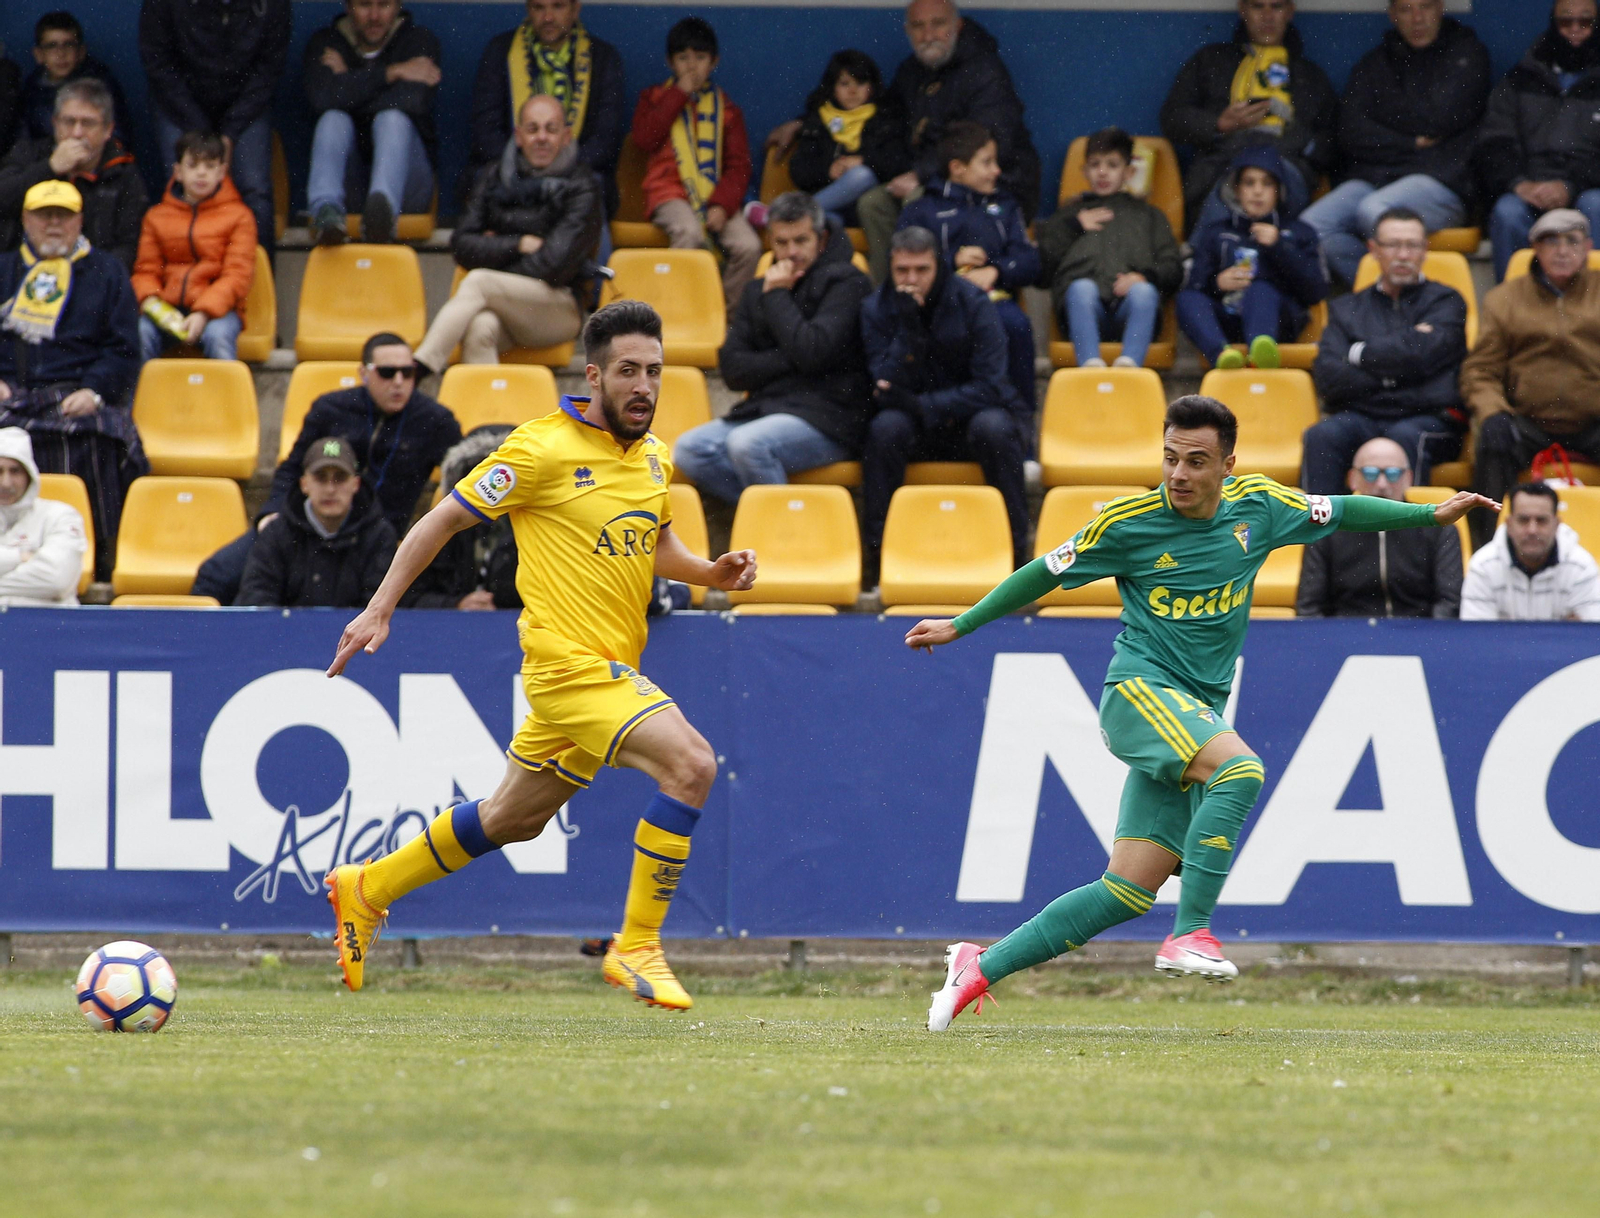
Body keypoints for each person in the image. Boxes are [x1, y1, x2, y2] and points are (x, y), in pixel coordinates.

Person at [905, 395, 1494, 1029]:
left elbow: (1342, 508)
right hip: (1139, 693)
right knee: (1239, 772)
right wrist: (963, 624)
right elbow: (1045, 572)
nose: (1179, 474)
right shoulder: (1127, 523)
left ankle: (978, 965)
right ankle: (1192, 933)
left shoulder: (1260, 507)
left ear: (1227, 464)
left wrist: (1431, 513)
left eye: (1195, 461)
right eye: (1169, 458)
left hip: (1194, 708)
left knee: (1126, 891)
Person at [324, 300, 759, 1011]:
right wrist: (380, 606)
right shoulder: (540, 449)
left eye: (654, 370)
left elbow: (655, 542)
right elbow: (443, 518)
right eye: (627, 371)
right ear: (594, 376)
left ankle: (367, 888)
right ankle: (638, 945)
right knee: (693, 765)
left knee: (511, 819)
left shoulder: (654, 456)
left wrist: (709, 572)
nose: (643, 384)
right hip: (568, 670)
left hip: (611, 672)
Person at [675, 192, 872, 501]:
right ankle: (768, 519)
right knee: (690, 450)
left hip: (831, 418)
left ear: (821, 239)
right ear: (770, 241)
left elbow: (812, 351)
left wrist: (777, 297)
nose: (791, 252)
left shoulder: (848, 283)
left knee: (748, 444)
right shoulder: (757, 290)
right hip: (766, 409)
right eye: (781, 243)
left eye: (800, 241)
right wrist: (793, 359)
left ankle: (782, 537)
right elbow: (733, 369)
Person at [860, 226, 1028, 573]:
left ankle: (1017, 556)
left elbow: (991, 385)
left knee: (995, 427)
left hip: (969, 419)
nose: (911, 279)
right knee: (884, 429)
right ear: (890, 268)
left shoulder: (973, 301)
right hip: (912, 425)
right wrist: (908, 329)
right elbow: (882, 384)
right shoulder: (876, 307)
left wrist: (926, 406)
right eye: (902, 270)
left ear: (937, 265)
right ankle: (877, 561)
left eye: (921, 269)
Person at [0, 180, 143, 582]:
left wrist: (94, 389)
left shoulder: (107, 272)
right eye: (44, 216)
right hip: (12, 395)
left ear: (79, 220)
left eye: (62, 216)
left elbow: (125, 348)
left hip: (76, 393)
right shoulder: (4, 270)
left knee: (100, 440)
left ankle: (101, 562)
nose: (53, 225)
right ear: (26, 220)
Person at [1299, 0, 1491, 288]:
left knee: (1374, 211)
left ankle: (1409, 301)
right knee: (1311, 227)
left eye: (1425, 7)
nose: (1417, 18)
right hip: (1374, 179)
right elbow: (1351, 131)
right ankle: (1388, 298)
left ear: (1440, 8)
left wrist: (1384, 116)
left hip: (1440, 182)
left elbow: (1439, 117)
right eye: (1405, 9)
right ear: (1392, 15)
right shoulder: (1374, 63)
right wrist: (1411, 141)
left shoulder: (1467, 53)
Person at [854, 0, 1041, 281]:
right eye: (918, 26)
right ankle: (887, 298)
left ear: (958, 25)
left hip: (995, 185)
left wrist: (919, 174)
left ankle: (928, 298)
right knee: (873, 203)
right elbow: (886, 123)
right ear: (907, 31)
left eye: (938, 24)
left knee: (917, 202)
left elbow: (986, 139)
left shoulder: (984, 70)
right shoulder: (911, 71)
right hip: (934, 179)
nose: (928, 35)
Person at [415, 95, 600, 374]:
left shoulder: (583, 185)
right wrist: (518, 244)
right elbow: (462, 245)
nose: (541, 137)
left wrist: (492, 250)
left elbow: (555, 266)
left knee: (479, 281)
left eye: (551, 129)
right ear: (519, 135)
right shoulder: (494, 177)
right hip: (507, 305)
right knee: (480, 328)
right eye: (533, 128)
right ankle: (491, 416)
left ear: (565, 136)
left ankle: (419, 368)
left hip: (559, 307)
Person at [1302, 207, 1468, 494]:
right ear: (1374, 249)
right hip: (1361, 417)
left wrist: (1360, 356)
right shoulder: (1346, 309)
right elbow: (1329, 376)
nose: (1403, 255)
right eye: (1393, 245)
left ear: (1425, 250)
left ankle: (1411, 538)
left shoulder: (1447, 302)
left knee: (1405, 438)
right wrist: (1402, 373)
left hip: (1425, 419)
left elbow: (1426, 356)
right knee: (1321, 435)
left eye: (1412, 245)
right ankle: (1321, 538)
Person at [1461, 209, 1600, 522]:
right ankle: (1486, 550)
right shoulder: (1505, 298)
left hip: (1594, 420)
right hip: (1527, 421)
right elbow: (1480, 369)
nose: (1562, 250)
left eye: (1572, 241)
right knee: (1492, 444)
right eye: (1551, 241)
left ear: (1588, 246)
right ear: (1534, 248)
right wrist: (1493, 412)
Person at [898, 121, 1041, 416]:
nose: (996, 171)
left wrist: (996, 272)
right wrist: (951, 261)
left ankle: (1022, 437)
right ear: (958, 168)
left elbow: (1029, 260)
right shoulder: (921, 209)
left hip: (993, 301)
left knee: (1016, 324)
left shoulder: (1005, 206)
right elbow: (898, 261)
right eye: (986, 163)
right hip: (935, 304)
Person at [1159, 0, 1338, 229]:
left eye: (1276, 7)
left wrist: (1300, 142)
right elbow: (1172, 118)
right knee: (1236, 183)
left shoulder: (1311, 75)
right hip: (1222, 167)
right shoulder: (1211, 60)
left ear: (1290, 12)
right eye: (1257, 6)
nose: (1267, 16)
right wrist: (1218, 124)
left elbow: (1334, 139)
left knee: (1268, 176)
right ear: (1242, 10)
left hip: (1286, 168)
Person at [266, 333, 461, 540]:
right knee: (231, 564)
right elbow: (294, 466)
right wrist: (271, 513)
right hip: (312, 531)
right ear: (364, 373)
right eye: (387, 372)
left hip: (383, 539)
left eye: (408, 372)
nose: (398, 381)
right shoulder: (331, 408)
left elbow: (462, 475)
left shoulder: (435, 420)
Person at [138, 0, 290, 257]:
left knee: (255, 191)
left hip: (245, 103)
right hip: (180, 103)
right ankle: (186, 287)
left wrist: (230, 133)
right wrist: (202, 136)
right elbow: (158, 62)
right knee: (183, 187)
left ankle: (260, 291)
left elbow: (268, 69)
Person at [631, 17, 760, 306]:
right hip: (668, 194)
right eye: (683, 58)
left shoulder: (726, 108)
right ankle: (679, 313)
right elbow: (644, 139)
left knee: (748, 246)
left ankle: (725, 322)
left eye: (700, 57)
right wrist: (679, 93)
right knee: (689, 234)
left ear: (713, 62)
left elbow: (739, 166)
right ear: (670, 62)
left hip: (715, 198)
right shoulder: (654, 98)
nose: (691, 66)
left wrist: (722, 205)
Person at [1036, 126, 1184, 369]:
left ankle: (1129, 368)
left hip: (1132, 313)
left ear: (1129, 172)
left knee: (1144, 292)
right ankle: (1090, 368)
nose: (1102, 172)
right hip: (1082, 313)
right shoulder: (1068, 216)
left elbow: (1173, 269)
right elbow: (1042, 271)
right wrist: (1074, 226)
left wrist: (1143, 277)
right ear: (1084, 171)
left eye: (1112, 165)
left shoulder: (1150, 216)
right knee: (1081, 288)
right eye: (1095, 165)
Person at [1477, 0, 1600, 281]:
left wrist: (1570, 185)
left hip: (1587, 188)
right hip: (1529, 190)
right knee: (1507, 211)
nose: (1575, 30)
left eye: (1585, 22)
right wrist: (1519, 184)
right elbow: (1494, 142)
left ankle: (1595, 310)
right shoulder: (1521, 79)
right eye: (1565, 22)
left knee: (1597, 205)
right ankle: (1513, 314)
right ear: (1553, 24)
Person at [468, 0, 627, 218]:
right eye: (538, 8)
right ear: (527, 9)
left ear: (575, 9)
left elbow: (605, 141)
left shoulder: (604, 58)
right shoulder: (500, 52)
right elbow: (485, 133)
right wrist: (528, 169)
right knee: (484, 182)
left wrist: (557, 170)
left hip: (577, 173)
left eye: (558, 6)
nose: (548, 17)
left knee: (592, 187)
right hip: (512, 170)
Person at [302, 0, 441, 246]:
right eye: (365, 5)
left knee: (392, 118)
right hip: (351, 186)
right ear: (348, 7)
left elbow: (412, 101)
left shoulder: (419, 40)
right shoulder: (327, 42)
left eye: (384, 4)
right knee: (333, 118)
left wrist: (347, 82)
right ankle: (327, 213)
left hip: (408, 186)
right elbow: (322, 99)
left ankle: (382, 217)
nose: (375, 16)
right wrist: (391, 73)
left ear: (398, 6)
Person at [1175, 144, 1325, 370]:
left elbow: (1316, 291)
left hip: (1279, 325)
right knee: (1186, 299)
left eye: (1267, 183)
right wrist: (1217, 283)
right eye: (1249, 183)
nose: (1257, 191)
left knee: (1260, 288)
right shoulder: (1216, 232)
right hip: (1228, 322)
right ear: (1236, 190)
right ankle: (1222, 356)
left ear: (1279, 190)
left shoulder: (1299, 231)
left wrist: (1279, 246)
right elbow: (1196, 285)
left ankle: (1260, 355)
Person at [1296, 438, 1461, 618]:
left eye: (1392, 474)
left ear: (1409, 479)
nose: (1382, 485)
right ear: (1352, 479)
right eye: (1370, 473)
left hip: (1417, 635)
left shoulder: (1438, 528)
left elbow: (1449, 603)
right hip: (1346, 637)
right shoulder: (1326, 529)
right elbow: (1309, 607)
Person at [131, 130, 257, 364]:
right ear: (178, 172)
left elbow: (237, 275)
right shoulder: (156, 217)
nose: (201, 173)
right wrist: (149, 300)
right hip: (166, 310)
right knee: (140, 332)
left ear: (221, 172)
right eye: (193, 165)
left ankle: (228, 400)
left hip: (217, 313)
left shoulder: (240, 217)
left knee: (218, 337)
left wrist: (203, 312)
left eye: (210, 166)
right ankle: (134, 401)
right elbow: (145, 271)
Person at [0, 78, 146, 268]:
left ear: (108, 130)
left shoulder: (124, 172)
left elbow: (128, 246)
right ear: (55, 123)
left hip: (91, 278)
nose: (77, 133)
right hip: (23, 274)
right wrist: (50, 168)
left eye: (88, 123)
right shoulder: (29, 154)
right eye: (69, 122)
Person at [237, 438, 397, 608]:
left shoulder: (380, 536)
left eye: (340, 478)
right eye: (321, 478)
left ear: (355, 484)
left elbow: (379, 607)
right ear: (304, 484)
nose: (330, 489)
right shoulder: (276, 534)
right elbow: (257, 598)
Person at [788, 50, 911, 248]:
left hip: (866, 206)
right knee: (829, 223)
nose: (853, 91)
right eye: (845, 84)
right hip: (830, 202)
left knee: (862, 175)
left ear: (871, 87)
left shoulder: (887, 119)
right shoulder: (818, 120)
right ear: (833, 87)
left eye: (860, 83)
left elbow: (899, 163)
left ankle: (791, 216)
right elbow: (799, 170)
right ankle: (805, 214)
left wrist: (864, 161)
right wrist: (829, 169)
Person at [1461, 482, 1600, 621]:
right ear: (1509, 524)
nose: (1532, 530)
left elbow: (1590, 636)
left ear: (1557, 524)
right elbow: (1478, 637)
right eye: (1523, 520)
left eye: (1541, 520)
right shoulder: (1483, 567)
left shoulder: (1582, 568)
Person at [0, 426, 87, 608]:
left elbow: (57, 579)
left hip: (52, 629)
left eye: (15, 471)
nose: (5, 483)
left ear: (29, 474)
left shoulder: (61, 516)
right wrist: (18, 558)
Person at [19, 11, 131, 146]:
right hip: (49, 161)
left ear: (81, 51)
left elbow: (119, 137)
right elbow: (23, 143)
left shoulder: (100, 84)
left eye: (68, 44)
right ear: (38, 54)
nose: (61, 53)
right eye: (51, 46)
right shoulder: (31, 89)